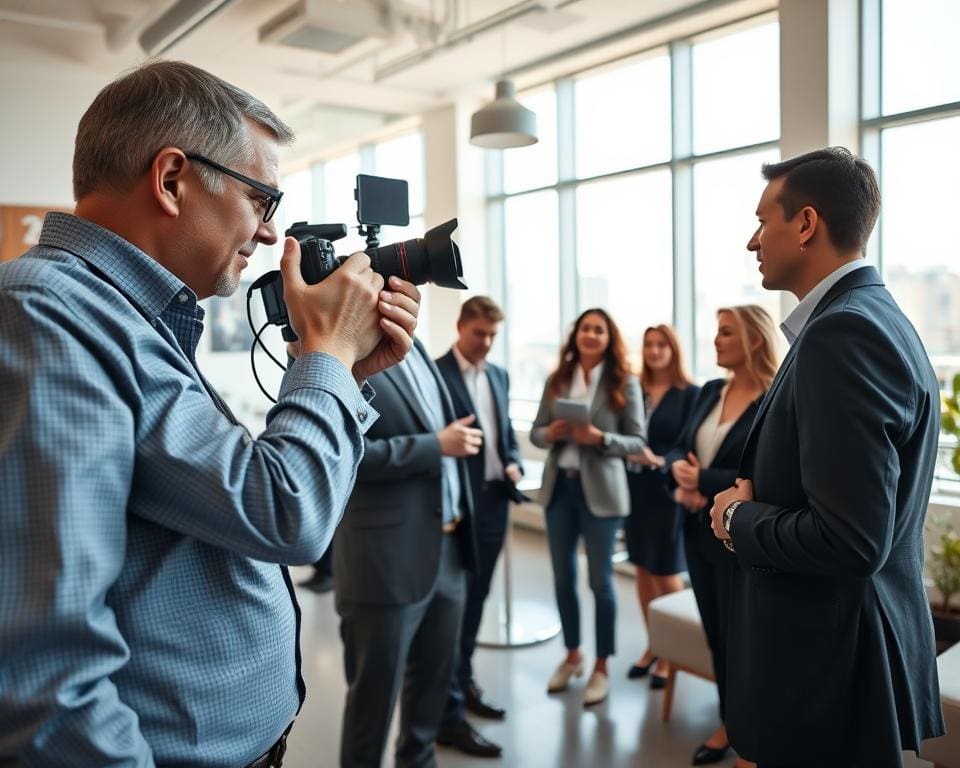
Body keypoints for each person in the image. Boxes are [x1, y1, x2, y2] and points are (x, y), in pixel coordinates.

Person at [0, 61, 421, 767]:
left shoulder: (126, 319)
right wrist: (324, 358)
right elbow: (48, 672)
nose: (269, 234)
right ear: (171, 179)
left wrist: (339, 368)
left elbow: (246, 500)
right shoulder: (46, 314)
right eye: (264, 200)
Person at [710, 147, 944, 768]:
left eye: (764, 221)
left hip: (827, 667)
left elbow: (850, 540)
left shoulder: (844, 332)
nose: (752, 241)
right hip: (845, 652)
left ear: (807, 224)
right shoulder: (875, 317)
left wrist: (737, 518)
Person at [333, 336, 484, 768]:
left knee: (431, 692)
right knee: (372, 704)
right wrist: (435, 445)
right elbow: (345, 456)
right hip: (384, 561)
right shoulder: (337, 354)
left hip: (450, 547)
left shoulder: (416, 347)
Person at [665, 305, 778, 768]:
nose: (716, 340)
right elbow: (680, 443)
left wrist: (702, 482)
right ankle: (731, 721)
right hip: (697, 534)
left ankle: (752, 733)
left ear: (754, 339)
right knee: (716, 632)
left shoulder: (773, 397)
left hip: (741, 541)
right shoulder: (711, 390)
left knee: (745, 638)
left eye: (726, 332)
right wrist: (679, 469)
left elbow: (764, 475)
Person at [530, 308, 646, 707]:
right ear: (575, 335)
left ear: (609, 338)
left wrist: (598, 437)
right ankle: (573, 655)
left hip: (602, 495)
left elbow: (637, 442)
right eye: (585, 328)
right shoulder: (557, 379)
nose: (591, 335)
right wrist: (554, 432)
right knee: (563, 580)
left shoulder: (624, 382)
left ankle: (601, 666)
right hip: (559, 492)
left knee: (601, 584)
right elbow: (536, 433)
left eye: (599, 329)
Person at [434, 296, 523, 757]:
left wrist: (513, 463)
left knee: (476, 603)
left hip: (494, 501)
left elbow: (504, 433)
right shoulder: (437, 374)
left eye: (492, 336)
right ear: (461, 326)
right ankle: (447, 709)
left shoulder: (501, 375)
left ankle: (463, 684)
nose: (486, 344)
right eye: (479, 334)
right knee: (456, 609)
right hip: (456, 510)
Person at [623, 325, 699, 687]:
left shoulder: (691, 394)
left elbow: (689, 445)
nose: (654, 351)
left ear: (674, 350)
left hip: (666, 491)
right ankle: (654, 645)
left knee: (665, 570)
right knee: (641, 567)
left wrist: (662, 461)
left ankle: (674, 654)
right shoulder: (634, 389)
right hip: (633, 487)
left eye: (661, 345)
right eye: (648, 344)